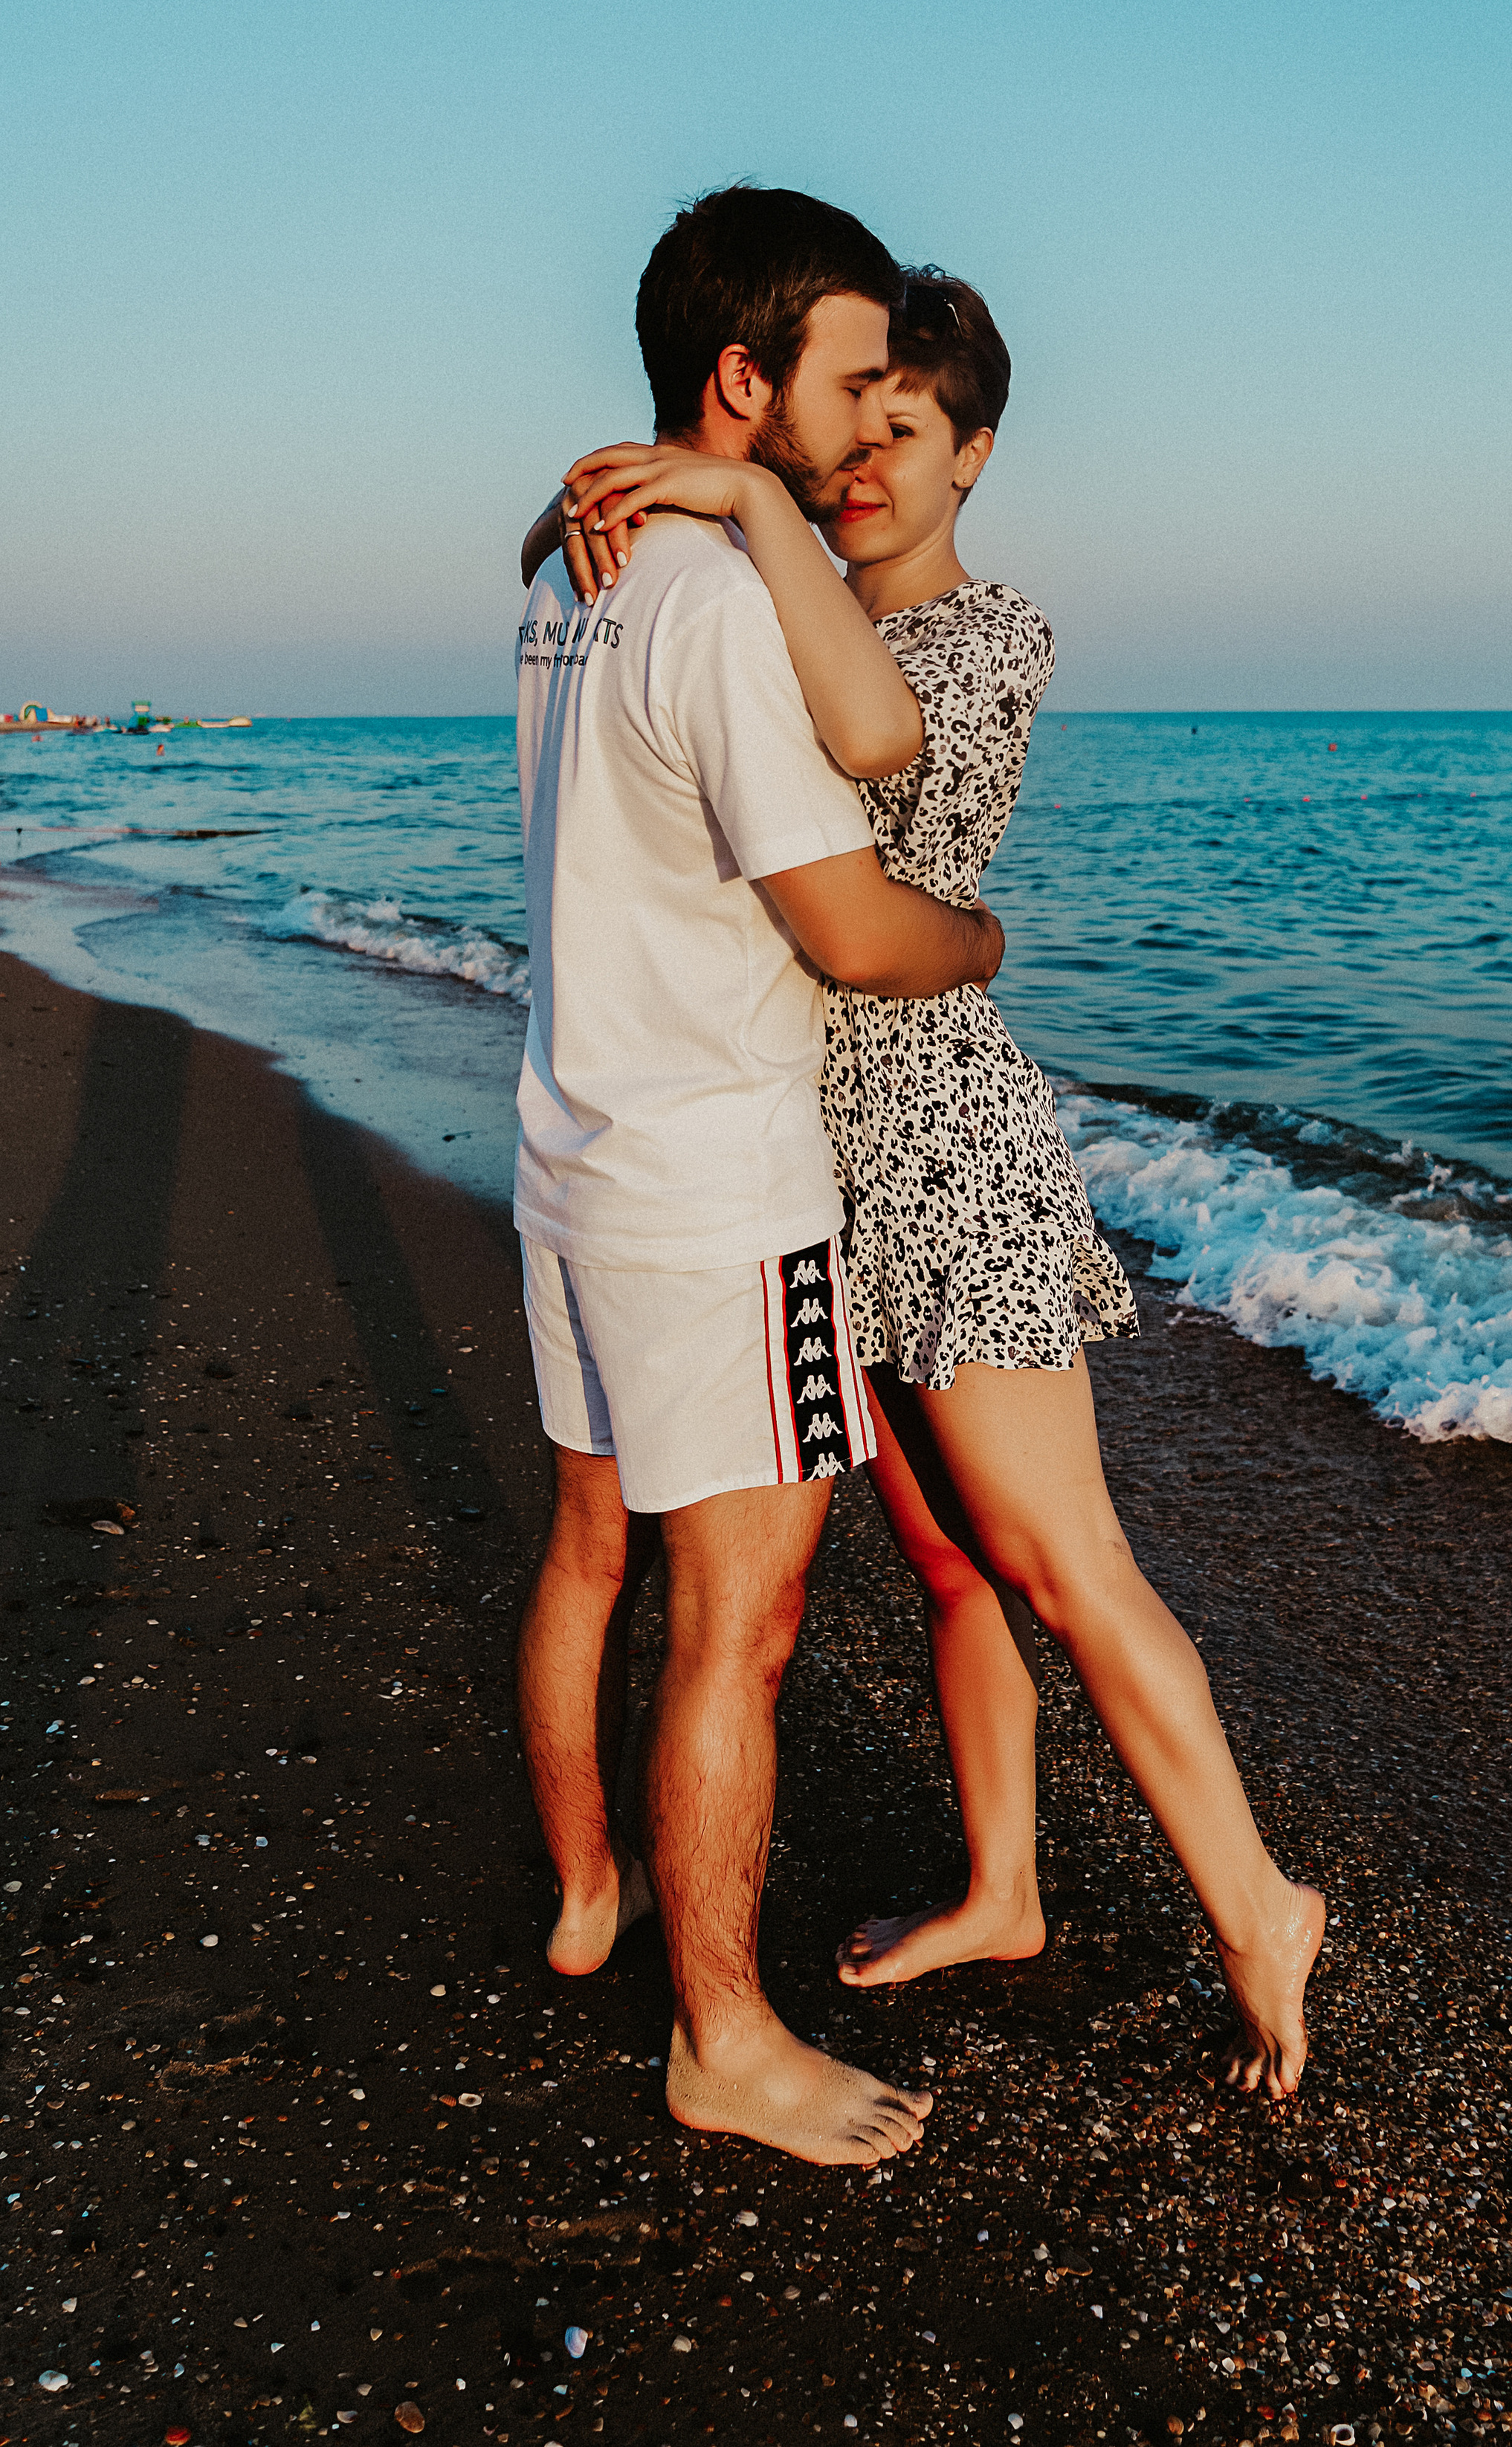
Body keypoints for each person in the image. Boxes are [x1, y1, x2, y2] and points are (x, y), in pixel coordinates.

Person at [538, 269, 1327, 2099]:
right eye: (850, 430)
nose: (865, 466)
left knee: (1064, 1561)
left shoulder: (985, 639)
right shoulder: (762, 601)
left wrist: (727, 495)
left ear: (972, 452)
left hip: (938, 1152)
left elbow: (868, 785)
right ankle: (1004, 1888)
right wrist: (685, 498)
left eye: (907, 435)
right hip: (812, 1158)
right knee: (952, 1566)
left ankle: (1252, 1899)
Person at [513, 186, 1007, 2169]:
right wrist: (980, 946)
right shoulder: (714, 595)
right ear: (745, 380)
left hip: (573, 1146)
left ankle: (585, 1897)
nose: (873, 417)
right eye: (850, 375)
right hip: (717, 1194)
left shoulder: (575, 558)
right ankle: (719, 2032)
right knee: (745, 1617)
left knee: (586, 1555)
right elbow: (853, 924)